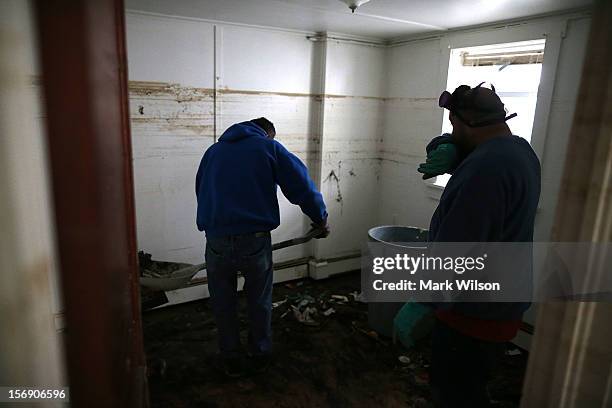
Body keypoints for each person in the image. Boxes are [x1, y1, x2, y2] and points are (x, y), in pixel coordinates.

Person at [418, 83, 541, 407]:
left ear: (465, 122)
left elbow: (458, 247)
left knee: (455, 391)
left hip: (472, 311)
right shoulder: (519, 151)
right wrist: (447, 145)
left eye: (452, 124)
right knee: (473, 383)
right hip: (503, 303)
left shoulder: (485, 169)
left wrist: (426, 300)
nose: (451, 130)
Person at [195, 117, 329, 377]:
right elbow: (302, 186)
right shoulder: (269, 148)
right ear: (268, 134)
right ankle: (259, 353)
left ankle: (230, 357)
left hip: (216, 240)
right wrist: (320, 217)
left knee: (223, 302)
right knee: (258, 299)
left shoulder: (213, 152)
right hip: (254, 240)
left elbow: (201, 190)